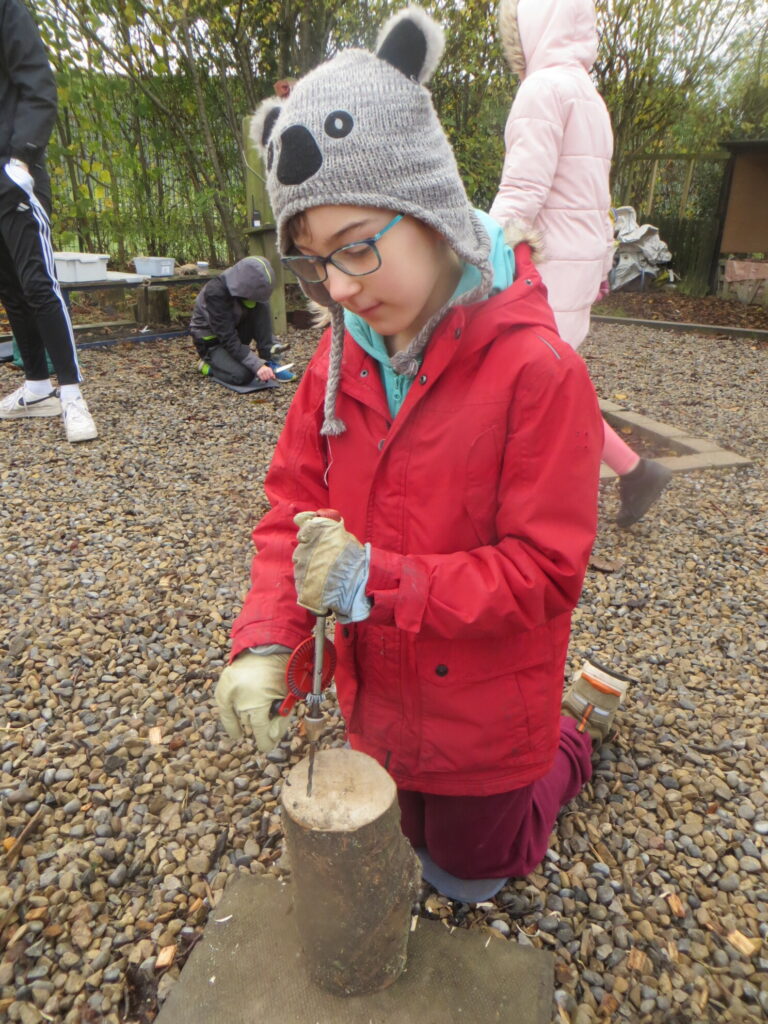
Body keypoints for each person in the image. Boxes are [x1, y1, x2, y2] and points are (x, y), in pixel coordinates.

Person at [214, 6, 631, 901]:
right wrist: (265, 642)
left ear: (430, 207)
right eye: (315, 263)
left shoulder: (539, 370)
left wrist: (378, 581)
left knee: (475, 875)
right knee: (399, 842)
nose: (339, 288)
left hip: (489, 711)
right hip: (384, 702)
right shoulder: (336, 360)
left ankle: (571, 738)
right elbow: (292, 505)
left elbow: (544, 573)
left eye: (358, 247)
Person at [489, 0, 671, 528]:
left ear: (528, 31)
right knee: (556, 386)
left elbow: (523, 191)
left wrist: (480, 249)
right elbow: (592, 192)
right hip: (580, 258)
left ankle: (541, 519)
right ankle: (635, 472)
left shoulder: (542, 90)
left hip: (547, 264)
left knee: (534, 392)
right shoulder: (588, 95)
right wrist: (601, 264)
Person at [0, 0, 96, 442]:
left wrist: (22, 156)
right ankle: (37, 386)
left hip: (15, 174)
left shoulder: (7, 11)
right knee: (10, 287)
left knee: (39, 284)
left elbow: (38, 84)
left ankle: (72, 393)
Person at [189, 256, 293, 385]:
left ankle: (269, 361)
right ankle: (207, 365)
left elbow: (261, 323)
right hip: (213, 343)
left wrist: (271, 351)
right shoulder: (215, 293)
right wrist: (257, 366)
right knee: (243, 375)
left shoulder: (250, 289)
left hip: (236, 333)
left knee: (260, 305)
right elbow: (227, 337)